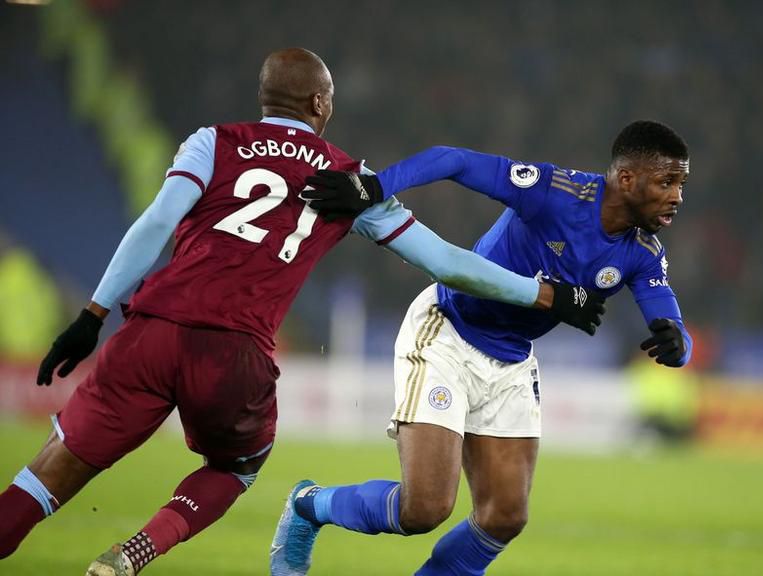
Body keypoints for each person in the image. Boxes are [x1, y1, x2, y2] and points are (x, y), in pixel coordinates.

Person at [0, 48, 604, 576]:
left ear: (265, 98)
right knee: (236, 466)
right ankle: (139, 549)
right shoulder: (349, 179)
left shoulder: (212, 141)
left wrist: (92, 314)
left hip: (150, 331)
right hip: (233, 354)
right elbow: (448, 264)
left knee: (47, 475)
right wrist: (546, 295)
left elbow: (155, 223)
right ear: (320, 103)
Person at [271, 120, 693, 575]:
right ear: (626, 178)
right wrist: (375, 187)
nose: (677, 196)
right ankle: (309, 505)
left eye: (681, 185)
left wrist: (677, 344)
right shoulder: (556, 192)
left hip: (512, 358)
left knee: (504, 517)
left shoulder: (643, 252)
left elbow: (669, 321)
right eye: (667, 182)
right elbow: (453, 160)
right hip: (448, 332)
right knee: (424, 509)